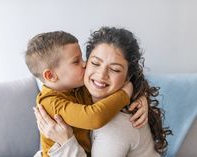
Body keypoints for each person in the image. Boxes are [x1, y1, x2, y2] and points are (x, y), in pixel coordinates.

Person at [34, 26, 172, 157]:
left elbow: (95, 117)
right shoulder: (73, 92)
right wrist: (134, 91)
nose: (101, 74)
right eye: (95, 63)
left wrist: (66, 142)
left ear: (127, 77)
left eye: (115, 69)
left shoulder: (115, 127)